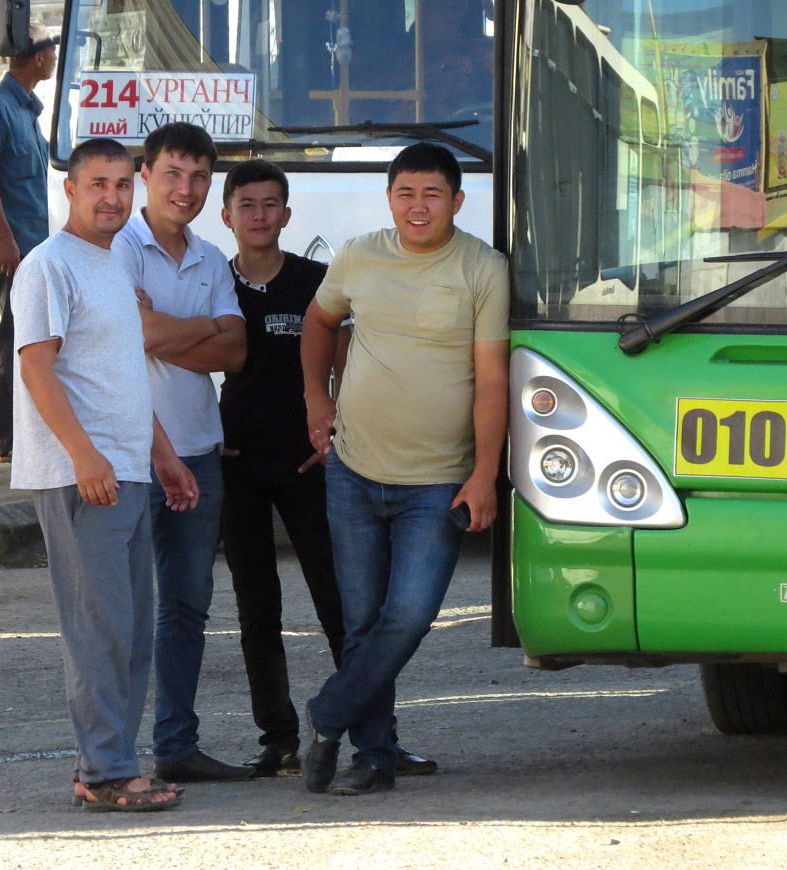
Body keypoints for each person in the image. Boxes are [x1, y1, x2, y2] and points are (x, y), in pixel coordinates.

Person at [300, 142, 509, 796]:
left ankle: (329, 713)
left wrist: (484, 475)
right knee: (362, 622)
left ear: (457, 201)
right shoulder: (359, 255)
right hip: (354, 471)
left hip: (439, 481)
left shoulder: (483, 268)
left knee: (410, 615)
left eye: (433, 194)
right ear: (389, 198)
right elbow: (318, 319)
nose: (418, 207)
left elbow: (493, 380)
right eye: (406, 194)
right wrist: (316, 398)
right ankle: (374, 756)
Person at [217, 159, 438, 779]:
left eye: (270, 205)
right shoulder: (211, 279)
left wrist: (333, 430)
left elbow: (346, 357)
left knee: (345, 608)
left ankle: (377, 738)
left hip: (310, 462)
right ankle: (278, 740)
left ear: (287, 216)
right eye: (247, 205)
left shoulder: (317, 280)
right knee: (255, 609)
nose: (258, 216)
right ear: (226, 214)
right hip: (236, 462)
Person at [11, 136, 197, 812]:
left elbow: (118, 376)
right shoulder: (47, 266)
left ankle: (113, 761)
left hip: (127, 470)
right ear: (70, 189)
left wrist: (163, 454)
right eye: (99, 184)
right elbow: (37, 367)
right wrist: (85, 456)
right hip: (82, 476)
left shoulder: (112, 261)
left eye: (123, 185)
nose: (112, 198)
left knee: (130, 628)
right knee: (99, 627)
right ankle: (107, 771)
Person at [111, 122, 252, 783]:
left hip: (198, 449)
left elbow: (236, 351)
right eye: (172, 173)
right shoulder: (118, 249)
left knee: (187, 608)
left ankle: (176, 746)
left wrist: (163, 334)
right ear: (145, 174)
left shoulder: (211, 257)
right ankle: (110, 757)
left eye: (199, 177)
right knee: (123, 610)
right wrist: (197, 330)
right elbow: (130, 334)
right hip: (126, 455)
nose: (185, 189)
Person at [0, 22, 58, 463]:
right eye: (53, 50)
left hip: (41, 248)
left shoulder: (29, 109)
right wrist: (3, 239)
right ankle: (9, 441)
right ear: (39, 57)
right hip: (17, 249)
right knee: (15, 341)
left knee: (42, 340)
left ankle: (33, 432)